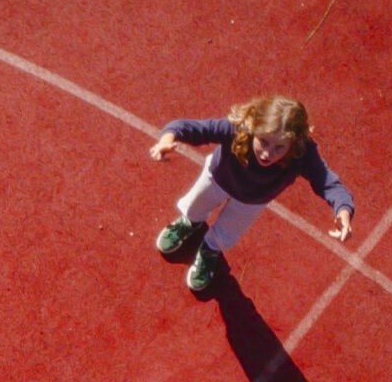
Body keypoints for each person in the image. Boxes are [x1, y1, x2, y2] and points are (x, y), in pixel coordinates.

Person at [150, 95, 353, 296]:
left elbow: (329, 183)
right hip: (216, 179)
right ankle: (191, 222)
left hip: (252, 201)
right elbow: (190, 128)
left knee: (226, 232)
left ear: (294, 143)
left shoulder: (303, 153)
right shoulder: (237, 128)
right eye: (263, 141)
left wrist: (343, 210)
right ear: (253, 127)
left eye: (279, 148)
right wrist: (168, 139)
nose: (267, 153)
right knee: (195, 207)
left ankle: (210, 248)